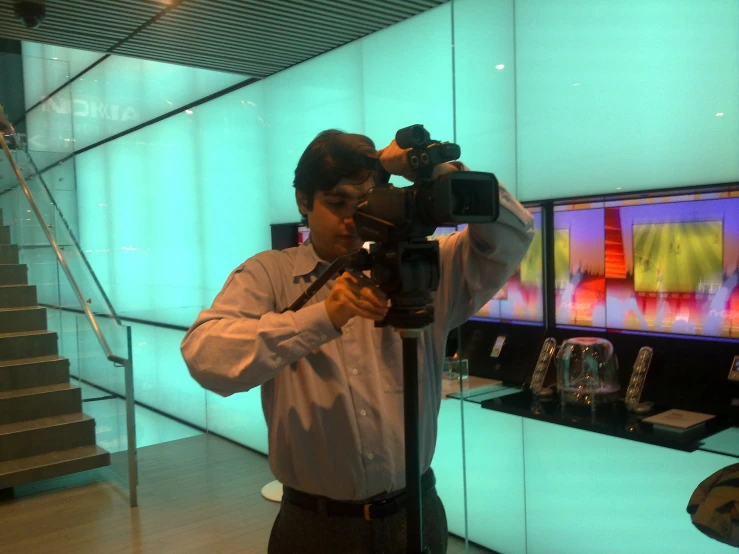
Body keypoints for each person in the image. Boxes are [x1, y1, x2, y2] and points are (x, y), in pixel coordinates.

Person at [180, 130, 535, 553]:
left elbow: (515, 232)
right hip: (317, 526)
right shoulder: (269, 275)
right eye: (337, 203)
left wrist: (437, 172)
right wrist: (322, 317)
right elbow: (206, 357)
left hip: (415, 514)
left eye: (363, 203)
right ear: (303, 201)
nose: (352, 219)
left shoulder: (421, 267)